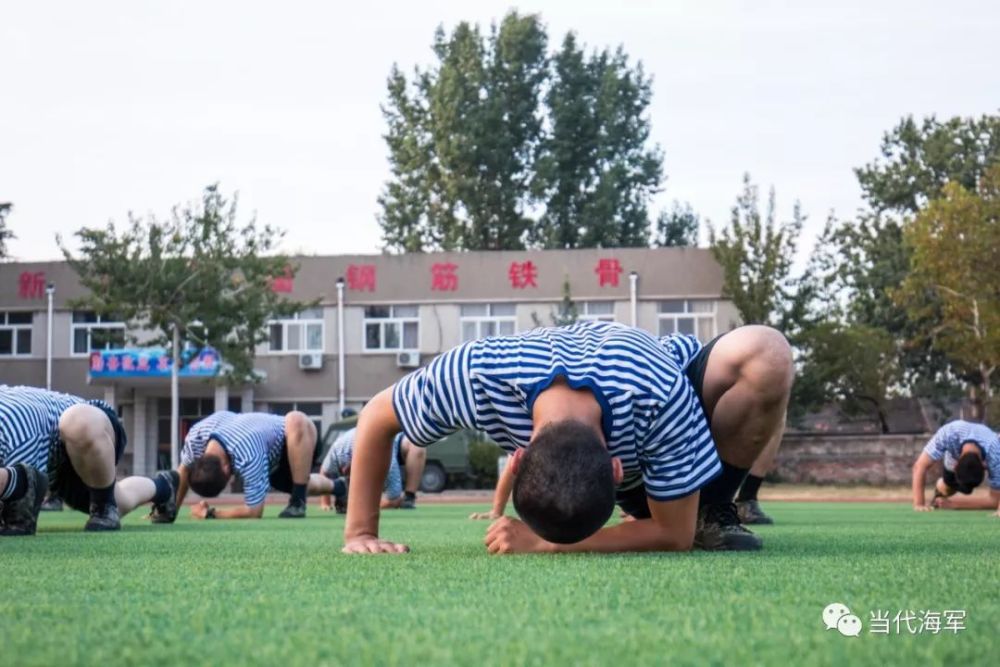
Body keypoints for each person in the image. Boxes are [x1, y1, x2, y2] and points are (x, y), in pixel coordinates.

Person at [341, 320, 793, 555]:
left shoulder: (657, 390)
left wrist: (548, 543)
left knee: (766, 353)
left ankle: (714, 508)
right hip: (633, 427)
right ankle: (670, 504)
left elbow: (675, 536)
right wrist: (360, 532)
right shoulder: (476, 375)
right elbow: (378, 416)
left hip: (676, 397)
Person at [0, 385, 179, 535]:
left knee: (77, 421)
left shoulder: (11, 433)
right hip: (53, 464)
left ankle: (103, 507)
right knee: (121, 501)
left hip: (89, 427)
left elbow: (28, 494)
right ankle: (165, 486)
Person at [175, 410, 338, 519]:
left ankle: (297, 503)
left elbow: (254, 511)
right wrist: (170, 509)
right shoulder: (196, 438)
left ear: (226, 468)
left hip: (298, 439)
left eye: (229, 477)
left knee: (295, 419)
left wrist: (211, 514)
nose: (233, 477)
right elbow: (183, 470)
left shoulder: (247, 453)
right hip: (269, 458)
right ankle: (339, 487)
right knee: (301, 484)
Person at [318, 428, 424, 512]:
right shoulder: (338, 451)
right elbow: (324, 473)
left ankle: (409, 498)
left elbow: (393, 499)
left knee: (416, 446)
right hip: (355, 445)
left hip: (394, 442)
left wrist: (361, 508)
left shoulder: (385, 454)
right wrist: (325, 503)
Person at [912, 420, 1000, 515]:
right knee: (947, 488)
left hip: (987, 449)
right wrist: (919, 504)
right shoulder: (949, 433)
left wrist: (954, 504)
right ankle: (941, 487)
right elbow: (919, 466)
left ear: (985, 466)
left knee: (966, 489)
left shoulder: (995, 452)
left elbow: (995, 500)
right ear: (955, 466)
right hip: (952, 457)